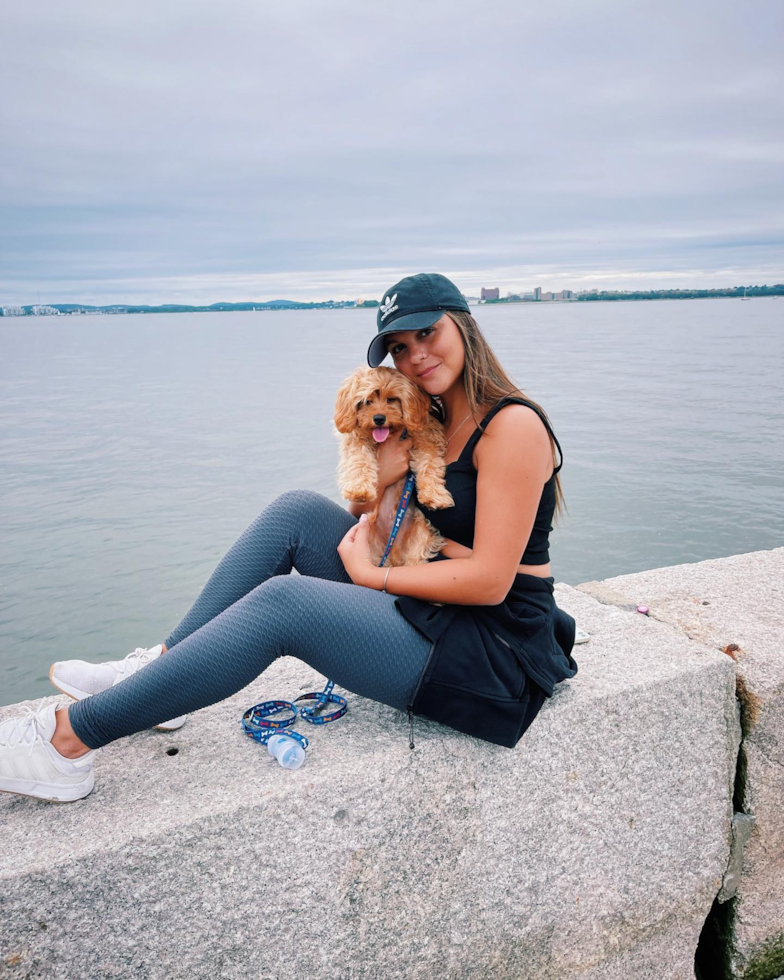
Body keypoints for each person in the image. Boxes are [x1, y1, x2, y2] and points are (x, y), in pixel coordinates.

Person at [0, 272, 578, 803]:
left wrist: (369, 576)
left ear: (465, 325)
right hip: (433, 602)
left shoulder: (512, 424)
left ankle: (65, 744)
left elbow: (490, 581)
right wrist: (385, 478)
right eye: (400, 346)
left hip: (493, 648)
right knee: (297, 511)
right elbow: (369, 505)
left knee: (285, 605)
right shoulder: (420, 418)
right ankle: (159, 671)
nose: (416, 354)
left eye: (428, 332)